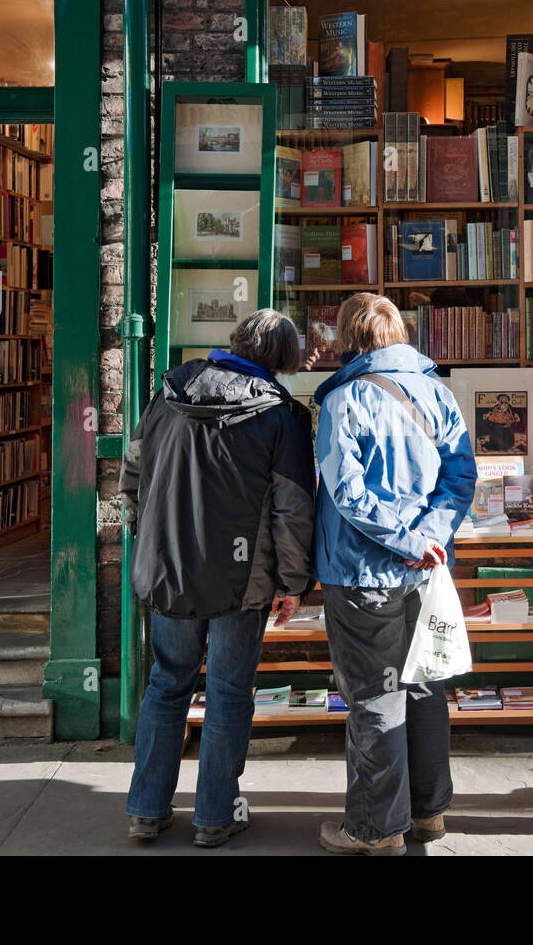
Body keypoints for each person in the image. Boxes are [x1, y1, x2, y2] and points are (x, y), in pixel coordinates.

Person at [119, 310, 315, 847]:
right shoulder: (281, 415)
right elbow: (293, 511)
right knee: (229, 693)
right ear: (284, 358)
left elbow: (132, 471)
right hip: (242, 580)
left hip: (168, 572)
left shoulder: (170, 392)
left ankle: (145, 809)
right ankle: (213, 816)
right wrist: (293, 582)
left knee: (166, 683)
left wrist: (145, 537)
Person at [311, 292, 477, 856]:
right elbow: (460, 479)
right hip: (423, 571)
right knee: (424, 687)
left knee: (374, 698)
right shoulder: (439, 392)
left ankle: (376, 828)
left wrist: (408, 540)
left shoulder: (343, 399)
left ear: (348, 337)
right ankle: (428, 816)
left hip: (362, 574)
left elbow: (347, 493)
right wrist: (427, 539)